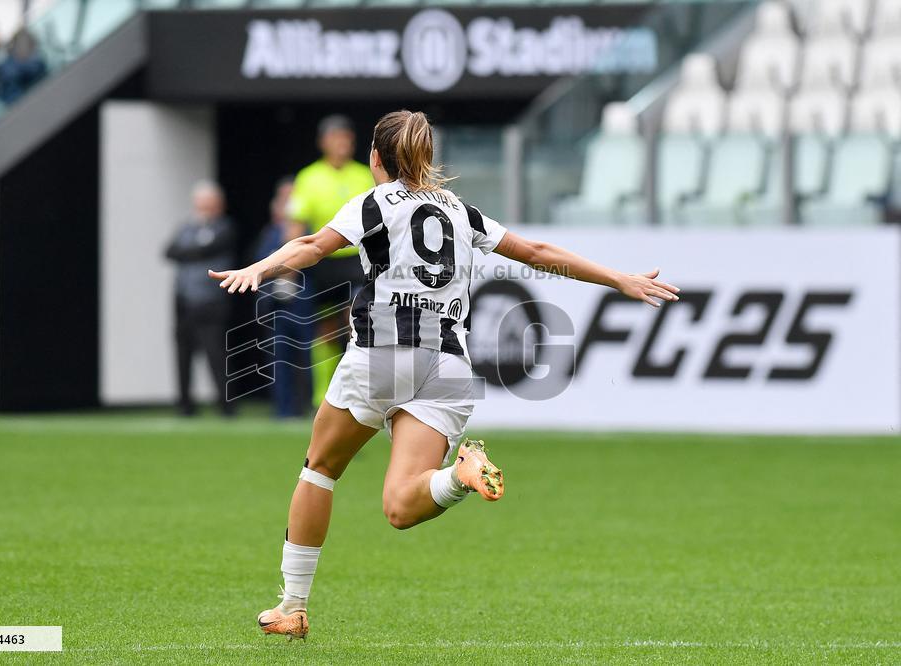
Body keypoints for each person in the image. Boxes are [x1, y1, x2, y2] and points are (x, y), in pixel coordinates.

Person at [207, 110, 680, 639]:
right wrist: (618, 278)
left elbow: (312, 246)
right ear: (426, 158)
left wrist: (259, 268)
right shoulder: (460, 211)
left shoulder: (374, 203)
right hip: (449, 367)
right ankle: (460, 475)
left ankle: (292, 607)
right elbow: (538, 253)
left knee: (319, 469)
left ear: (376, 159)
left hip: (382, 355)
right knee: (401, 505)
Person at [288, 114, 375, 410]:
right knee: (325, 331)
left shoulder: (364, 176)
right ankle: (322, 395)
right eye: (336, 138)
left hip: (356, 262)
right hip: (323, 263)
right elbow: (296, 224)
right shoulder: (308, 177)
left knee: (354, 324)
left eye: (346, 138)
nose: (342, 143)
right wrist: (287, 267)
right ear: (323, 142)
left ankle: (356, 392)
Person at [165, 180, 236, 417]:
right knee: (183, 354)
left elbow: (206, 250)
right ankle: (185, 404)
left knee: (215, 353)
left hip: (210, 302)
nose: (204, 208)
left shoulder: (225, 227)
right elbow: (170, 251)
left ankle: (226, 405)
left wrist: (191, 251)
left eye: (209, 203)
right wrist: (193, 249)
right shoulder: (187, 227)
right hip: (184, 301)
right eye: (201, 203)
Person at [254, 176, 312, 419]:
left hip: (304, 304)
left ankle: (306, 407)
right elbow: (259, 261)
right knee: (279, 358)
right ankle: (282, 409)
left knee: (307, 358)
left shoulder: (311, 232)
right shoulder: (271, 233)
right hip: (277, 306)